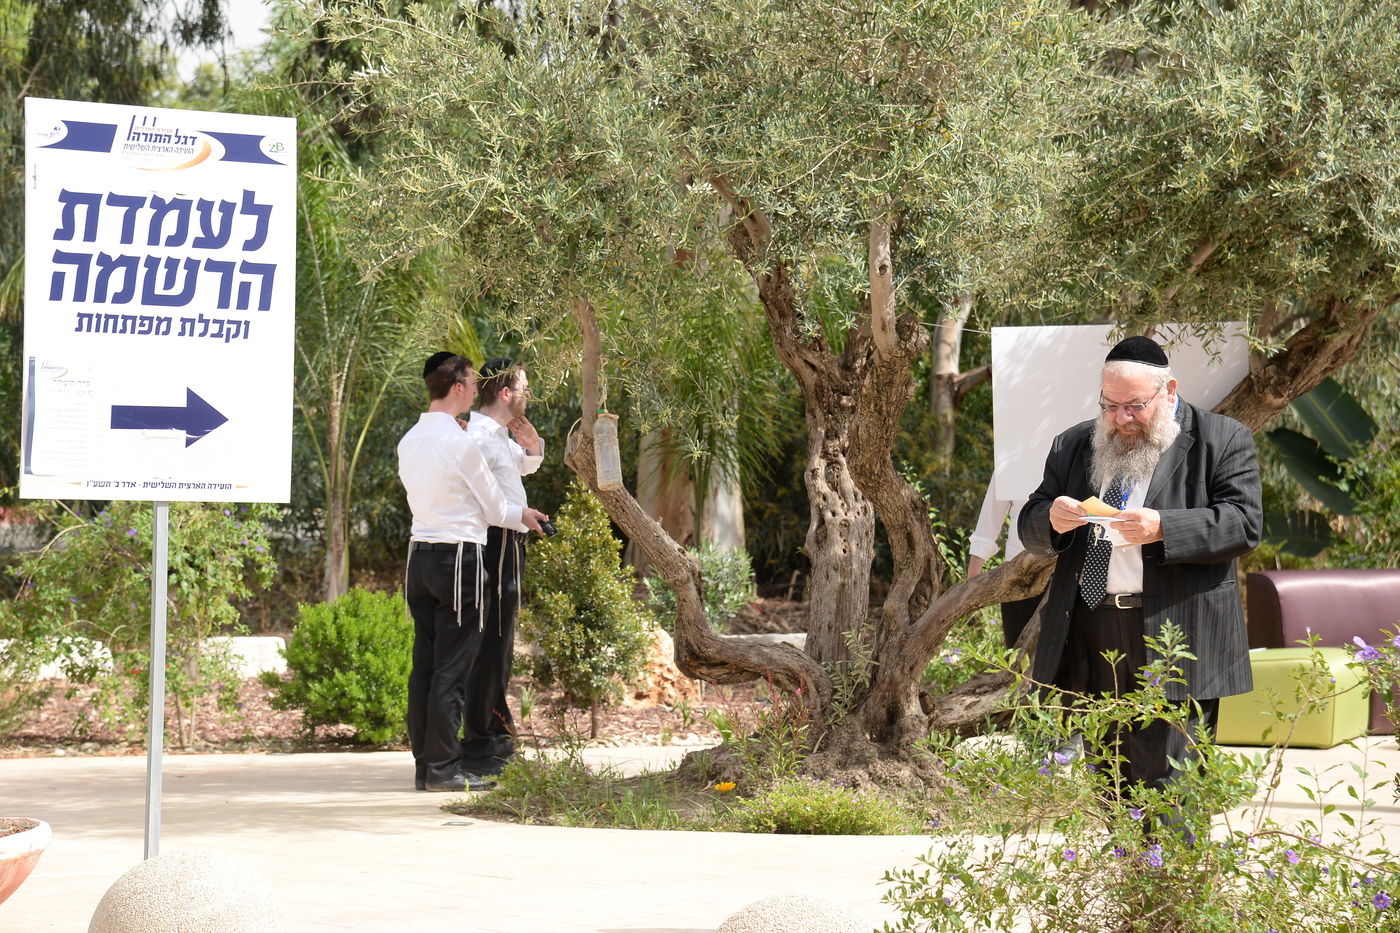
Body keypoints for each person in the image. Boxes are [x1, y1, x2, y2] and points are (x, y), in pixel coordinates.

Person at [1017, 335, 1261, 798]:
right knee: (1110, 778)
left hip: (1174, 633)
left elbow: (1243, 524)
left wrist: (1165, 527)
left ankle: (1172, 871)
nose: (1121, 419)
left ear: (1168, 391)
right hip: (1091, 630)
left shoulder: (1222, 438)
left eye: (1135, 405)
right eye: (1109, 405)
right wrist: (1051, 518)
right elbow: (1030, 522)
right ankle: (1126, 868)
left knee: (1172, 784)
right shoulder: (1074, 444)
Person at [398, 352, 547, 792]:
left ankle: (427, 764)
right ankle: (446, 768)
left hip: (418, 556)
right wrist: (526, 516)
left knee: (424, 666)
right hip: (459, 558)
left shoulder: (409, 439)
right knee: (452, 669)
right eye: (469, 380)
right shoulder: (462, 442)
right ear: (459, 386)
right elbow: (496, 507)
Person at [459, 357, 544, 776]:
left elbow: (519, 468)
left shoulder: (496, 436)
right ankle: (482, 741)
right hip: (495, 542)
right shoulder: (478, 436)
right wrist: (520, 516)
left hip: (511, 541)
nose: (529, 394)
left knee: (501, 641)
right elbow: (482, 502)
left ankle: (493, 730)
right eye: (524, 387)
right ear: (506, 393)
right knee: (491, 642)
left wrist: (532, 446)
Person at [966, 484, 1038, 648]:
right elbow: (991, 515)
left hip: (1068, 573)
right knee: (1017, 658)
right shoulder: (1011, 458)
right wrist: (973, 576)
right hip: (1018, 575)